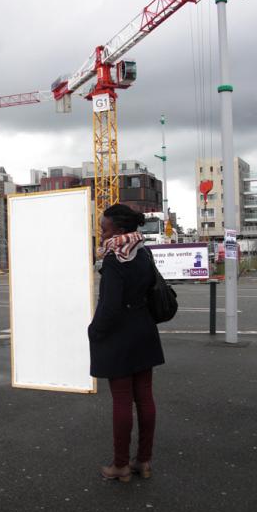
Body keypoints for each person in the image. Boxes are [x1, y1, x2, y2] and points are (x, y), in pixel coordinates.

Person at [88, 204, 165, 483]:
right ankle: (143, 461)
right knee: (145, 397)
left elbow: (110, 307)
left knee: (122, 400)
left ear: (119, 229)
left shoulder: (112, 260)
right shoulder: (143, 252)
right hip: (144, 330)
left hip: (120, 336)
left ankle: (120, 466)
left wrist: (94, 331)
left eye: (104, 227)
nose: (101, 231)